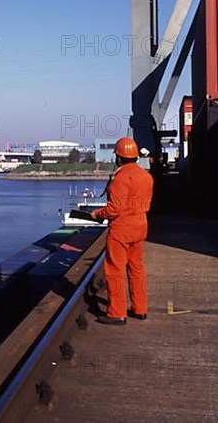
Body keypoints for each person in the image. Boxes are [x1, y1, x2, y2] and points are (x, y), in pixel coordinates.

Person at [91, 137, 154, 325]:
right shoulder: (146, 176)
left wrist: (97, 213)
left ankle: (117, 313)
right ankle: (140, 309)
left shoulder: (120, 178)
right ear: (135, 156)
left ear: (119, 157)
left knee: (115, 270)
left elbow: (113, 210)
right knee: (137, 268)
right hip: (141, 225)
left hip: (122, 229)